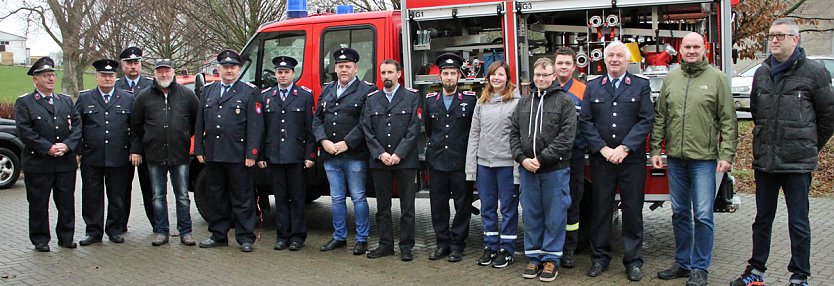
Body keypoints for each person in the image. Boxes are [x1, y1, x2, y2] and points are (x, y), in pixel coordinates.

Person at [730, 18, 834, 286]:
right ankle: (755, 271)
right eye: (771, 36)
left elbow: (828, 118)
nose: (773, 40)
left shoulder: (814, 72)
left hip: (797, 165)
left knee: (798, 223)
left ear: (795, 40)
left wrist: (809, 145)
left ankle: (799, 276)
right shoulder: (762, 73)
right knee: (761, 220)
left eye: (779, 36)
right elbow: (756, 113)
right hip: (765, 162)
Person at [649, 32, 738, 286]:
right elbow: (661, 118)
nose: (690, 50)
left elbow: (728, 120)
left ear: (704, 49)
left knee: (702, 215)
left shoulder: (717, 79)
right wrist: (656, 150)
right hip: (676, 159)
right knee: (679, 213)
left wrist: (727, 154)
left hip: (704, 159)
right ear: (680, 48)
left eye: (695, 46)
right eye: (686, 46)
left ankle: (700, 268)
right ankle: (682, 263)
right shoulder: (672, 78)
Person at [578, 40, 654, 282]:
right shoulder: (593, 86)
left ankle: (633, 261)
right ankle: (600, 258)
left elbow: (645, 120)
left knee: (633, 211)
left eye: (619, 56)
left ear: (628, 60)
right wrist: (602, 148)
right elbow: (586, 121)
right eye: (610, 55)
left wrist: (624, 147)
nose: (614, 60)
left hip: (631, 161)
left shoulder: (641, 86)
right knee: (601, 210)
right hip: (603, 161)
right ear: (604, 59)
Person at [510, 57, 575, 282]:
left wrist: (541, 159)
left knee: (555, 215)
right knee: (532, 214)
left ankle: (551, 259)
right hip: (528, 170)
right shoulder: (524, 102)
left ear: (554, 76)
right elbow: (513, 134)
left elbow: (566, 138)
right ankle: (534, 257)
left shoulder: (564, 102)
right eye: (537, 75)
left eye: (545, 75)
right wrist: (522, 158)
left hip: (554, 169)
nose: (540, 79)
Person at [195, 50, 264, 253]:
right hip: (214, 153)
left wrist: (252, 153)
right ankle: (218, 235)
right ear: (219, 70)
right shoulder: (208, 91)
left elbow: (255, 126)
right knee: (216, 196)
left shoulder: (249, 92)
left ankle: (245, 237)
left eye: (233, 67)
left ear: (239, 69)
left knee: (242, 197)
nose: (229, 71)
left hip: (238, 155)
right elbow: (200, 122)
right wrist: (199, 147)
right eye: (225, 67)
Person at [313, 48, 377, 255]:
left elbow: (366, 122)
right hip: (330, 154)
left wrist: (347, 143)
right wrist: (323, 141)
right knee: (337, 198)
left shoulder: (367, 90)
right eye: (340, 66)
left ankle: (361, 239)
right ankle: (339, 237)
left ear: (356, 68)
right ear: (335, 68)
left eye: (347, 66)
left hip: (354, 155)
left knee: (358, 197)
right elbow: (317, 119)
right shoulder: (327, 89)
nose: (343, 70)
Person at [15, 56, 82, 252]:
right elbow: (25, 131)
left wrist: (68, 146)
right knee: (38, 204)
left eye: (52, 75)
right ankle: (40, 239)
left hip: (64, 163)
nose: (51, 79)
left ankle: (66, 237)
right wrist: (48, 148)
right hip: (39, 163)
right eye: (46, 76)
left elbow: (77, 126)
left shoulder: (66, 101)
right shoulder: (25, 102)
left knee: (66, 202)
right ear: (35, 79)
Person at [130, 58, 199, 247]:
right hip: (154, 155)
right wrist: (142, 145)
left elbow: (196, 121)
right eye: (160, 71)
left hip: (180, 154)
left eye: (166, 71)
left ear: (173, 72)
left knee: (183, 195)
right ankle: (161, 231)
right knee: (158, 196)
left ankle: (186, 232)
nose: (163, 75)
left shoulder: (187, 95)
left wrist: (184, 135)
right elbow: (136, 125)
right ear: (154, 74)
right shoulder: (144, 97)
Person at [361, 59, 421, 262]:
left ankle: (406, 246)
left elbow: (414, 129)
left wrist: (398, 154)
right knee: (382, 207)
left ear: (399, 74)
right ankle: (385, 245)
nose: (386, 76)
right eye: (383, 72)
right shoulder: (372, 99)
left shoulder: (412, 97)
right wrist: (380, 153)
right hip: (380, 161)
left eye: (389, 72)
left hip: (404, 160)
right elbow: (367, 129)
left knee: (407, 208)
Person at [465, 60, 521, 268]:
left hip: (506, 164)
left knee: (508, 208)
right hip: (484, 165)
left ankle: (507, 249)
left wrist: (517, 168)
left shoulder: (516, 101)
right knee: (488, 207)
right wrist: (471, 168)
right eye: (493, 75)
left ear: (507, 77)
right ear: (488, 78)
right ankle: (490, 246)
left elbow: (519, 136)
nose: (496, 78)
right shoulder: (482, 101)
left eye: (500, 74)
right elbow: (474, 134)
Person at [76, 59, 137, 246]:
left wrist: (135, 150)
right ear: (96, 77)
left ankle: (115, 229)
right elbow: (77, 127)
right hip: (92, 156)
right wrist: (77, 152)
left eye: (110, 76)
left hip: (119, 156)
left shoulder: (127, 98)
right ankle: (93, 231)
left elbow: (135, 128)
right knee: (91, 196)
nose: (107, 79)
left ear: (116, 77)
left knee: (117, 195)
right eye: (103, 75)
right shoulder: (85, 98)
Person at [258, 56, 316, 251]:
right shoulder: (267, 95)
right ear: (275, 74)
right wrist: (261, 155)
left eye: (287, 72)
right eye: (279, 72)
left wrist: (310, 155)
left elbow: (310, 128)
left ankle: (298, 237)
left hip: (297, 156)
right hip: (274, 156)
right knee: (280, 198)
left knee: (298, 198)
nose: (283, 75)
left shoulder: (305, 96)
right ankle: (282, 236)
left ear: (293, 74)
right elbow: (262, 129)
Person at [424, 53, 477, 263]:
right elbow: (429, 129)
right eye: (445, 73)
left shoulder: (470, 100)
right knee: (438, 207)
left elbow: (473, 130)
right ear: (440, 78)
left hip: (460, 162)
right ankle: (442, 244)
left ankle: (457, 245)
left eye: (452, 73)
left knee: (462, 206)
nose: (449, 77)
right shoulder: (430, 101)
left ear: (458, 76)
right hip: (437, 162)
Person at [552, 47, 588, 269]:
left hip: (574, 156)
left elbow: (589, 123)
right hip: (551, 157)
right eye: (559, 63)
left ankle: (569, 250)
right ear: (554, 66)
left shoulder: (584, 90)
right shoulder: (546, 88)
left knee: (572, 203)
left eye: (567, 63)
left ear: (575, 67)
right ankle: (553, 248)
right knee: (552, 205)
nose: (563, 67)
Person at [114, 46, 155, 232]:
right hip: (123, 146)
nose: (133, 67)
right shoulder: (115, 86)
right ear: (123, 66)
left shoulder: (151, 85)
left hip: (147, 146)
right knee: (122, 189)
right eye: (129, 63)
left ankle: (157, 225)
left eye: (136, 63)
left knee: (151, 189)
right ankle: (120, 225)